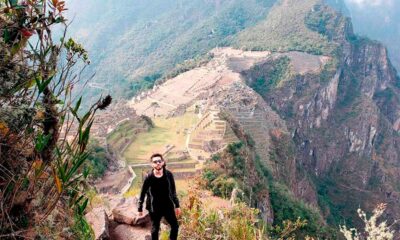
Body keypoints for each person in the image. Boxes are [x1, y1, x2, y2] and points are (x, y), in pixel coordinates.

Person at [138, 153, 181, 240]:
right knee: (155, 229)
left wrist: (177, 205)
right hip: (154, 207)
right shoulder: (149, 177)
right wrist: (140, 207)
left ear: (163, 162)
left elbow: (173, 191)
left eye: (159, 161)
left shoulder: (169, 175)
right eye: (155, 161)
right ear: (152, 164)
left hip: (167, 206)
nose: (157, 163)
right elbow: (142, 192)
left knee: (175, 226)